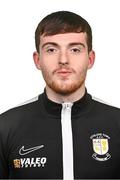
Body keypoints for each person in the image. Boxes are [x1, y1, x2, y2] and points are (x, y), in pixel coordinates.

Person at [0, 10, 120, 180]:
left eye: (75, 50)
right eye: (51, 49)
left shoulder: (117, 123)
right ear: (37, 60)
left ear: (90, 59)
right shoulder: (5, 127)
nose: (63, 59)